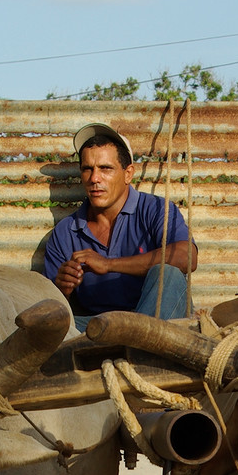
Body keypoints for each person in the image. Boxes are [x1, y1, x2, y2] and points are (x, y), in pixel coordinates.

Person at [44, 123, 197, 332]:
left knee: (167, 274)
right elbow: (50, 305)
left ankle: (137, 345)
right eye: (87, 169)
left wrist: (108, 264)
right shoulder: (65, 232)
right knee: (50, 327)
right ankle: (132, 346)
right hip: (103, 326)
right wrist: (62, 288)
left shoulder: (155, 210)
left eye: (105, 169)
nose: (94, 179)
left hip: (161, 322)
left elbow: (186, 257)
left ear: (128, 174)